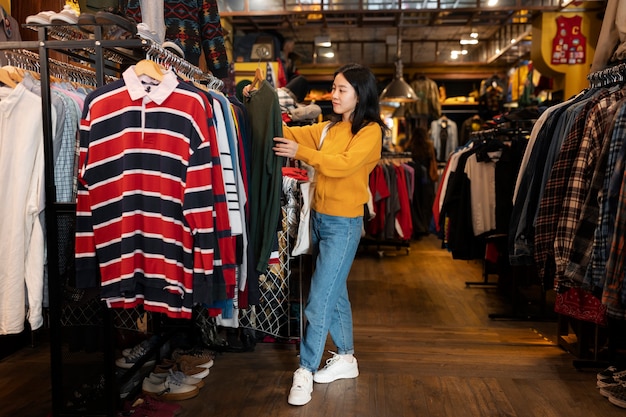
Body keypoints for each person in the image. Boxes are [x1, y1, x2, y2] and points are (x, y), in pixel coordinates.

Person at [247, 63, 386, 406]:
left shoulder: (370, 133)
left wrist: (303, 154)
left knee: (318, 299)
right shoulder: (328, 129)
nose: (333, 95)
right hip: (320, 220)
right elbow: (288, 132)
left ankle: (305, 369)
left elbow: (342, 164)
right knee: (334, 294)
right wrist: (253, 101)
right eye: (334, 88)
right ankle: (346, 358)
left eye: (342, 90)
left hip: (344, 224)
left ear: (360, 94)